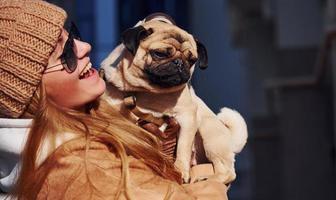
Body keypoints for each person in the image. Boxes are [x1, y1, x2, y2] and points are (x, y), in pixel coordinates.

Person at [0, 0, 229, 199]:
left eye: (74, 36)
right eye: (66, 53)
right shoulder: (83, 169)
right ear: (32, 92)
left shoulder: (73, 134)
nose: (84, 47)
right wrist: (207, 175)